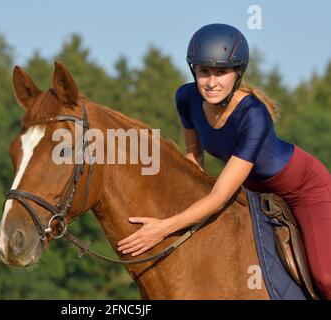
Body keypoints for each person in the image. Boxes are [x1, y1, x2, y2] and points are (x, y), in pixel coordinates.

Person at [117, 23, 331, 299]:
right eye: (204, 71)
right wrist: (170, 207)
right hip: (251, 190)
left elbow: (219, 195)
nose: (211, 82)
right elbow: (193, 157)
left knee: (325, 278)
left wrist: (164, 227)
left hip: (304, 189)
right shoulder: (186, 97)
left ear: (237, 74)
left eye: (221, 72)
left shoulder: (254, 115)